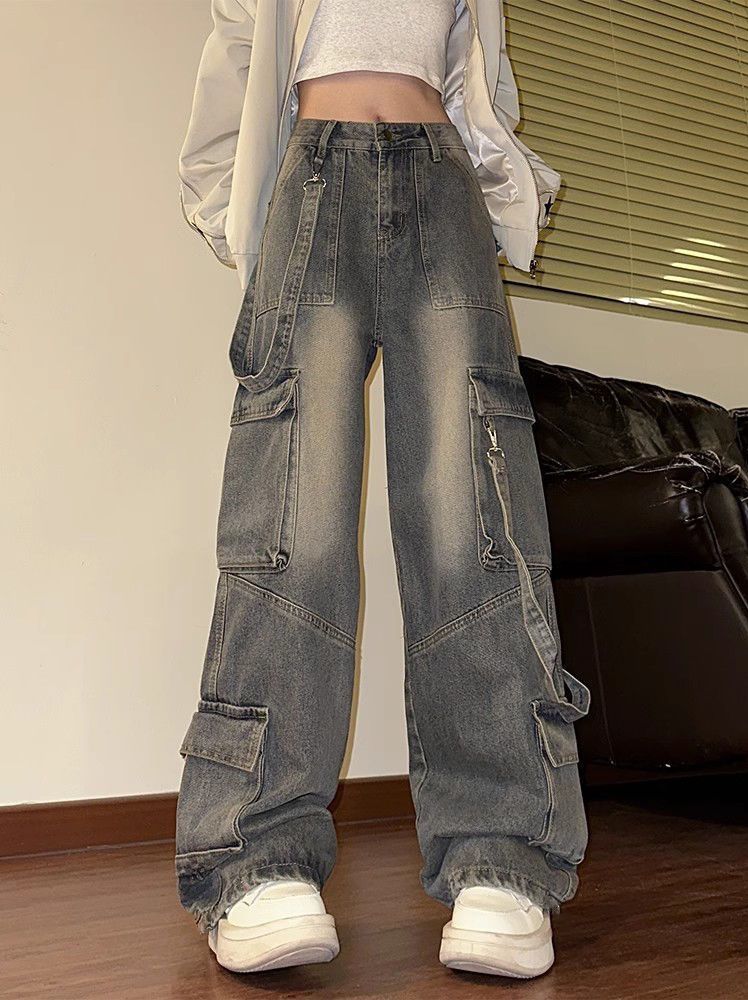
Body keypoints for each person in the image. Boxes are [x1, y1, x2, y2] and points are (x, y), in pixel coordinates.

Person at [174, 0, 592, 980]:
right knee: (294, 523)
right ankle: (255, 855)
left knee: (470, 521)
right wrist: (241, 217)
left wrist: (499, 187)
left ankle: (500, 851)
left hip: (443, 183)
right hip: (308, 177)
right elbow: (234, 69)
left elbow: (481, 79)